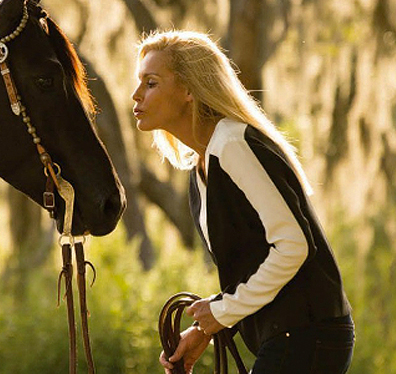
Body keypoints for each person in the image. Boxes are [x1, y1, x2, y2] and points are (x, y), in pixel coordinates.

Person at [131, 30, 354, 374]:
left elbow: (294, 246)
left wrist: (221, 312)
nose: (136, 95)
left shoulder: (233, 145)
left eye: (151, 83)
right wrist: (209, 326)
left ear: (189, 90)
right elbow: (254, 261)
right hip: (289, 335)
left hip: (308, 333)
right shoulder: (201, 164)